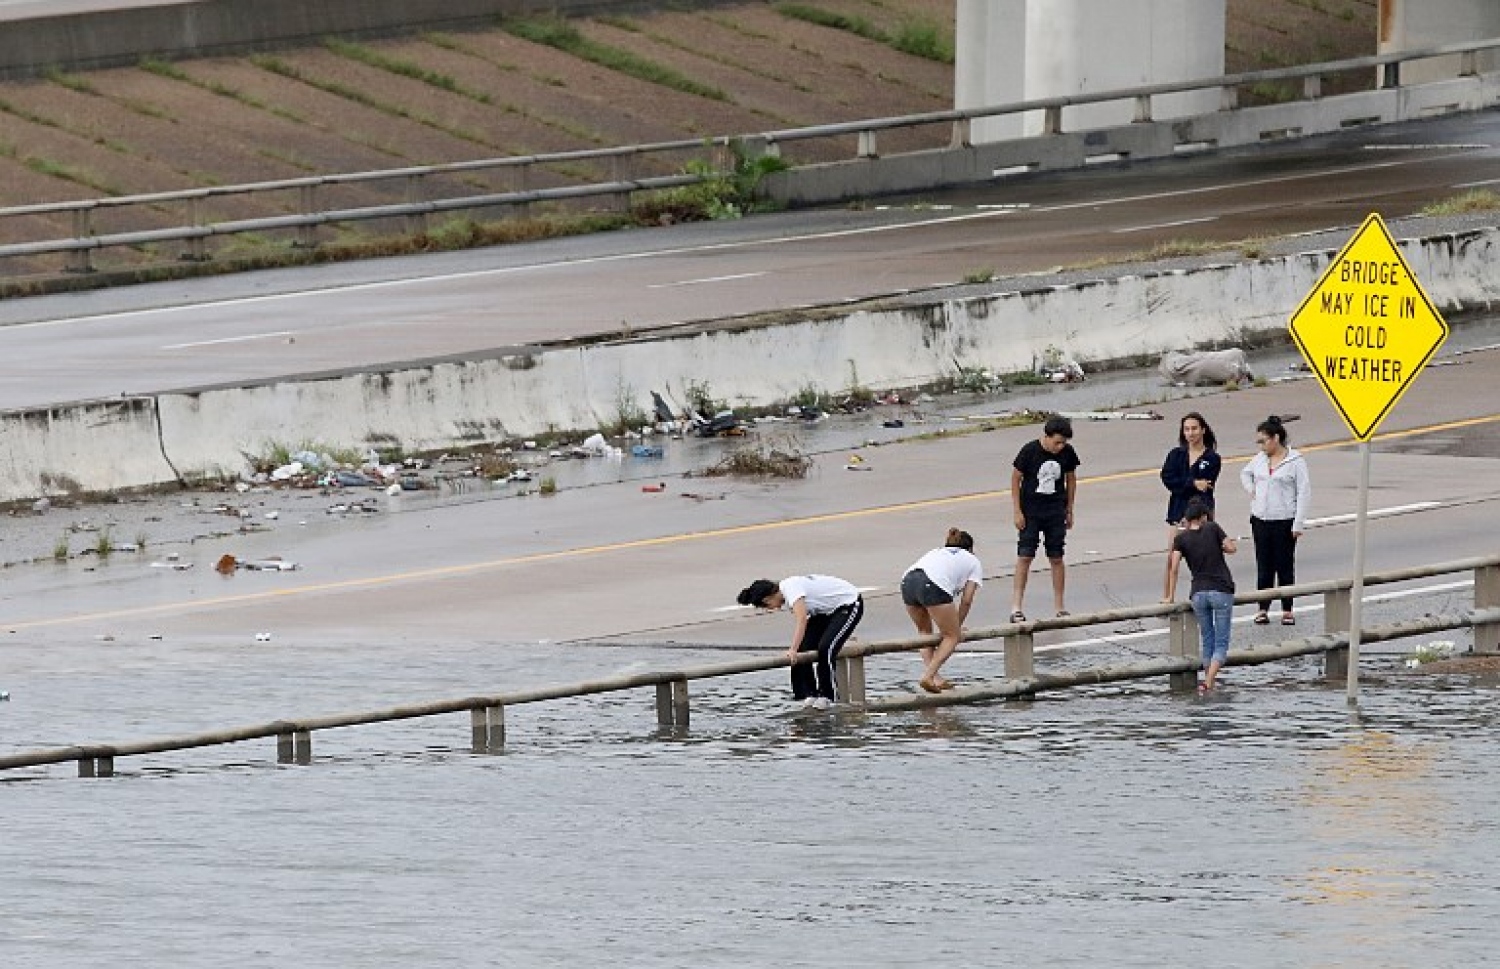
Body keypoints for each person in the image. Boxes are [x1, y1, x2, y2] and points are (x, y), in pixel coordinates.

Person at [738, 574, 864, 709]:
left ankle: (827, 695)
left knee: (826, 648)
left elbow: (802, 620)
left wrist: (792, 649)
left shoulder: (791, 589)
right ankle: (808, 693)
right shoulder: (784, 596)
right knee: (802, 649)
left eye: (767, 606)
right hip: (824, 612)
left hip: (848, 604)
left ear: (768, 599)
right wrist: (796, 649)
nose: (770, 609)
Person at [1240, 414, 1311, 625]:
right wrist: (1252, 490)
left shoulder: (1295, 461)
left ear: (1276, 438)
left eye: (1264, 440)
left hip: (1284, 520)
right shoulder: (1260, 459)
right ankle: (1263, 608)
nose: (1261, 445)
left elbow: (1304, 492)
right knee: (1264, 565)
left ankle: (1287, 609)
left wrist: (1298, 523)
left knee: (1284, 565)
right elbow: (1245, 473)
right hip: (1261, 519)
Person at [1010, 415, 1080, 622]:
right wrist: (1017, 510)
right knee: (1025, 556)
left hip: (1055, 510)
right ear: (1046, 436)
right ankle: (1016, 606)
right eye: (1057, 442)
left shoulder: (1068, 453)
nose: (1060, 447)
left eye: (1063, 443)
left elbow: (1071, 479)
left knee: (1056, 557)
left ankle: (1059, 606)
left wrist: (1069, 508)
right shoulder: (1029, 451)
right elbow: (1015, 478)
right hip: (1031, 511)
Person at [1164, 497, 1238, 693]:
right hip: (1221, 589)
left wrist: (1170, 596)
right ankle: (1209, 682)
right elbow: (1232, 548)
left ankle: (1208, 681)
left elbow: (1174, 567)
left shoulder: (1181, 539)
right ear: (1204, 517)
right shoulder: (1213, 528)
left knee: (1207, 639)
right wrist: (1221, 547)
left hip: (1198, 593)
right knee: (1221, 643)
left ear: (1187, 520)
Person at [901, 528, 983, 694]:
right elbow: (967, 600)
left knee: (924, 632)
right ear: (970, 548)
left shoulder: (936, 551)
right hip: (932, 584)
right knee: (952, 636)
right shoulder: (973, 561)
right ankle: (929, 676)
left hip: (908, 582)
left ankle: (936, 678)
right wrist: (957, 626)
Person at [1159, 411, 1222, 601]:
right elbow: (1168, 478)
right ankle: (1168, 596)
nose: (1191, 433)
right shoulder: (1176, 455)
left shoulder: (1212, 458)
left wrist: (1187, 484)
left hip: (1201, 512)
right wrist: (1193, 483)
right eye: (1186, 429)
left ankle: (1208, 593)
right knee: (1172, 555)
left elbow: (1206, 486)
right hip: (1178, 510)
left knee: (1205, 556)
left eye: (1194, 428)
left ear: (1203, 430)